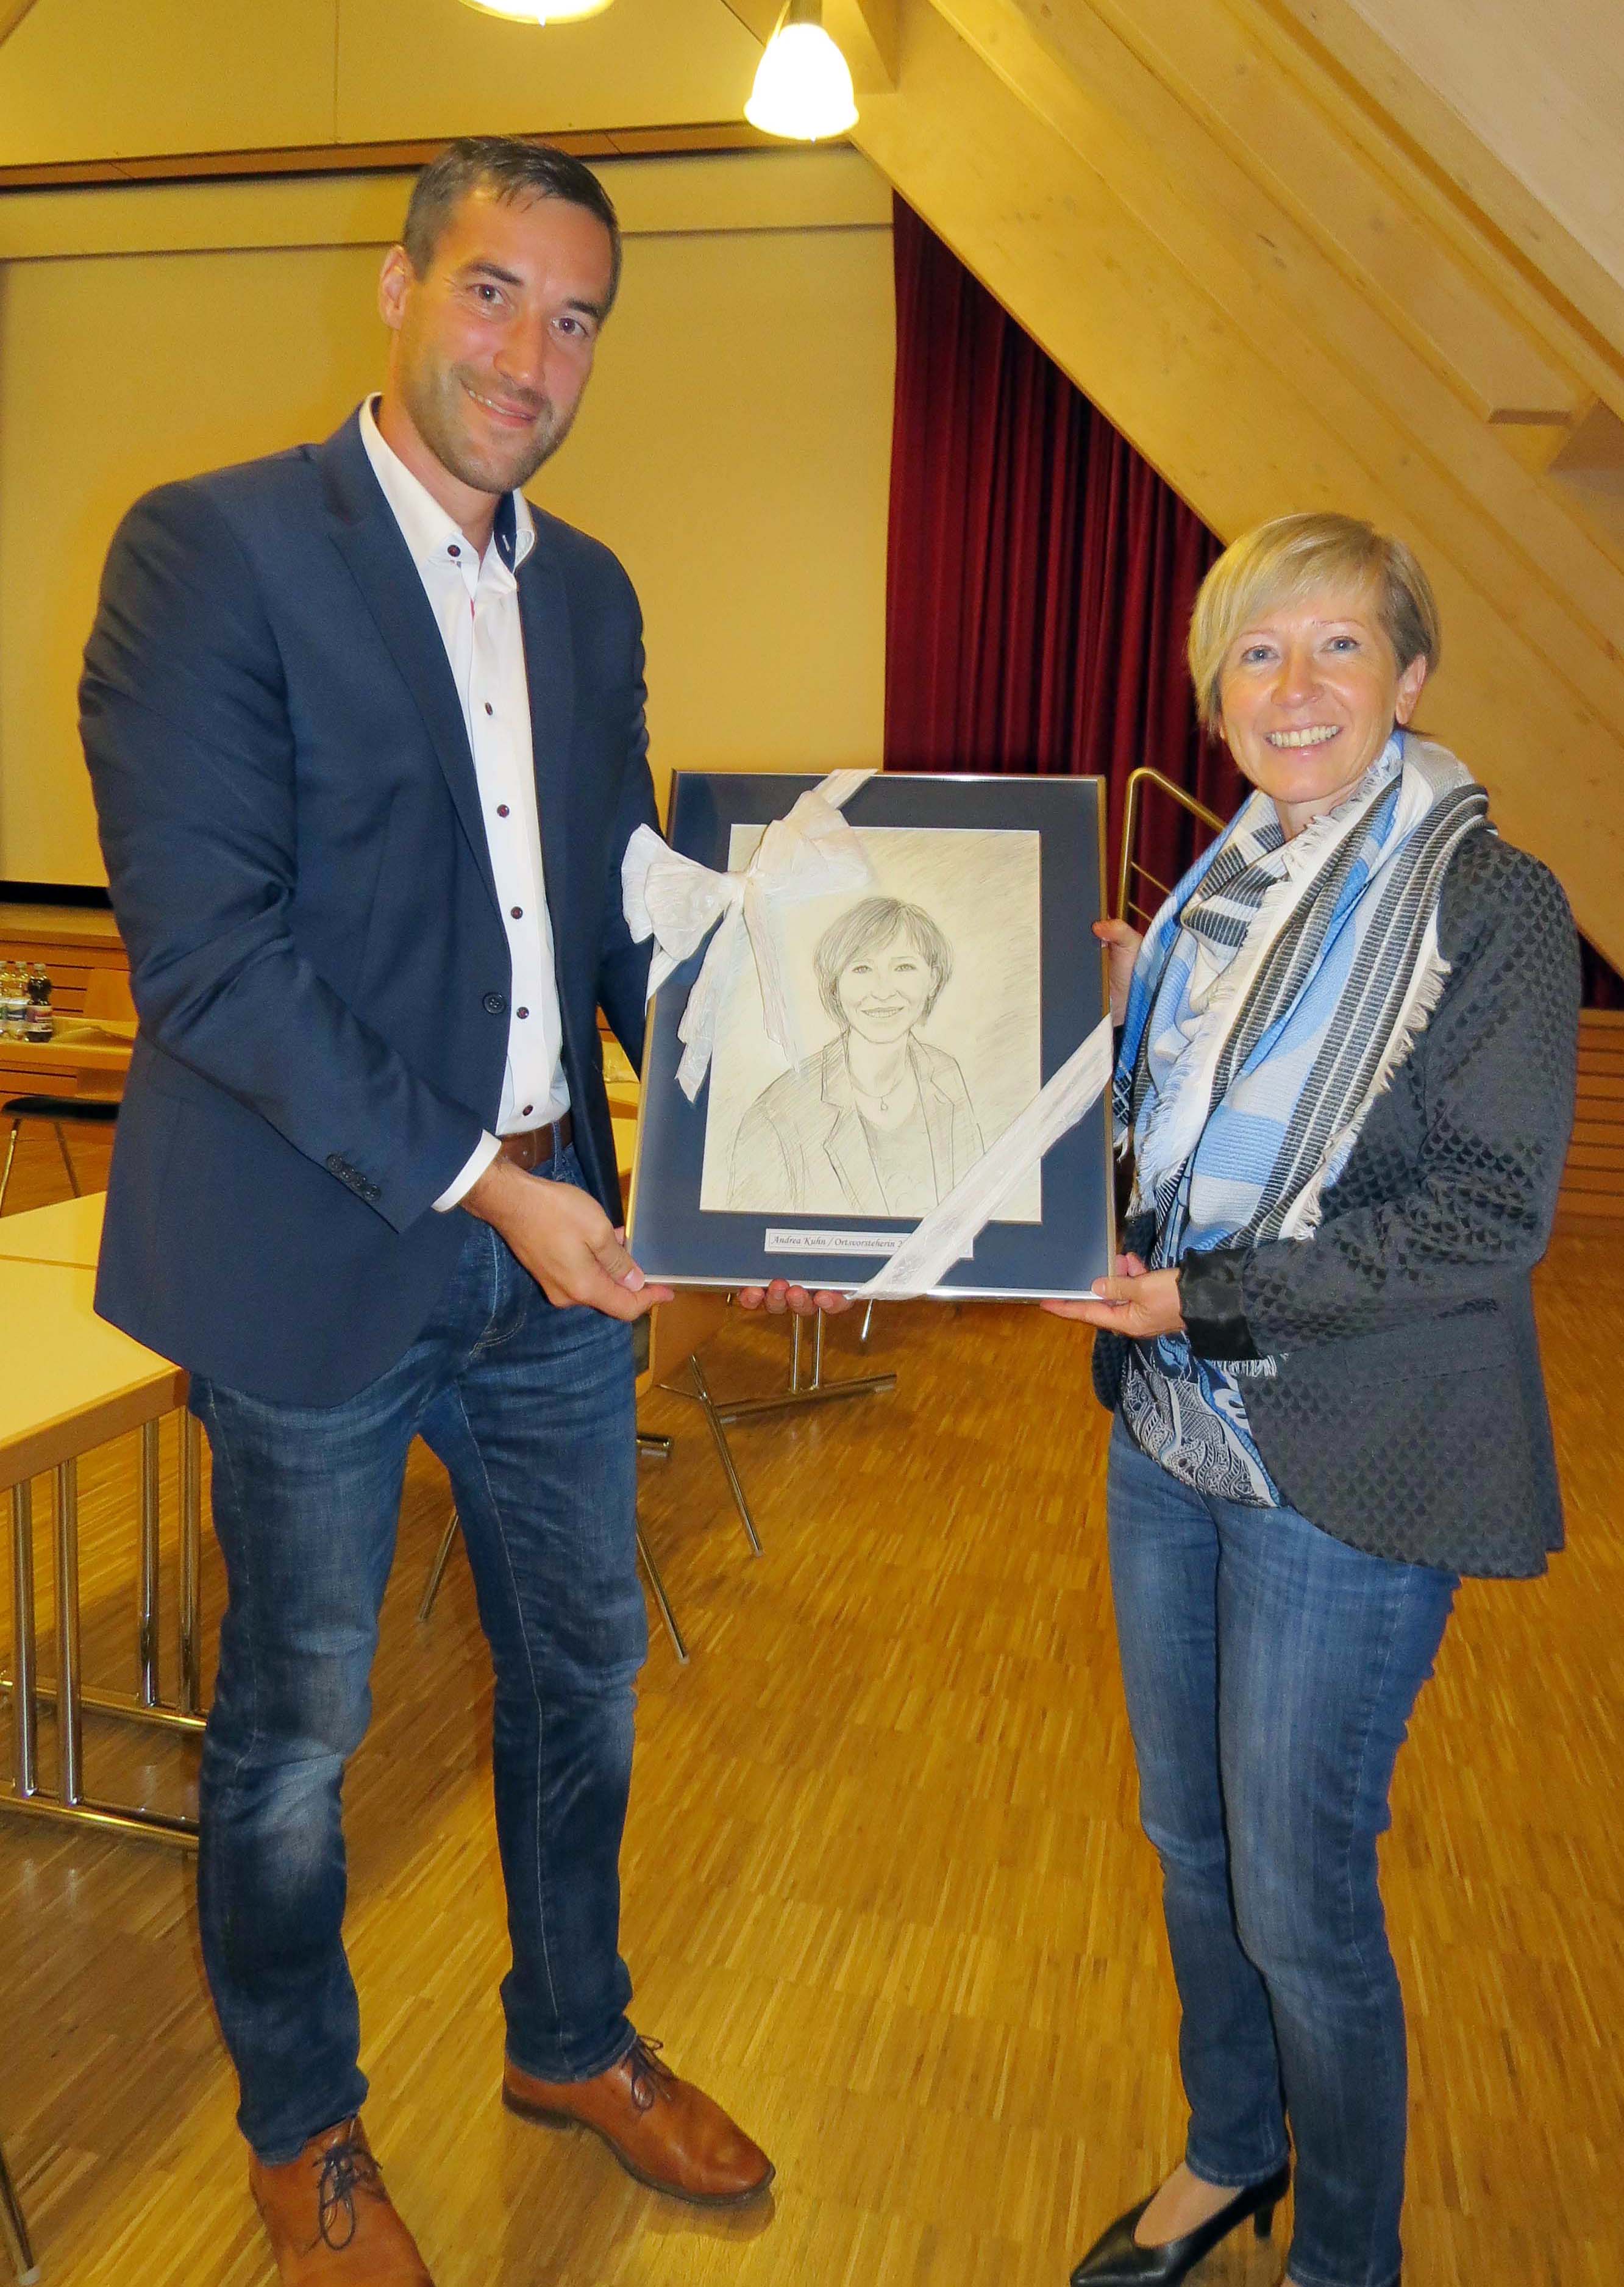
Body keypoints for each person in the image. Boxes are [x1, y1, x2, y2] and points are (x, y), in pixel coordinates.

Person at [80, 138, 774, 2287]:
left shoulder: (591, 593)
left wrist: (786, 1127)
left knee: (587, 1667)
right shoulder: (211, 551)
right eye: (492, 293)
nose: (530, 355)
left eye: (575, 319)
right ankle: (304, 2129)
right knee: (297, 1734)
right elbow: (212, 960)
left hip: (555, 1254)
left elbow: (618, 913)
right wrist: (494, 1188)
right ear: (396, 287)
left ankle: (571, 2038)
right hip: (321, 1252)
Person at [1047, 512, 1579, 2287]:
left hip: (1344, 1469)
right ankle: (1231, 2142)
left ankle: (1347, 2253)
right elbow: (1172, 1141)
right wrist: (1110, 1009)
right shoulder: (1217, 905)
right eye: (1256, 650)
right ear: (1216, 692)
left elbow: (1484, 1213)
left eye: (1337, 643)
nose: (1293, 685)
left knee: (1297, 1891)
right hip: (1169, 1436)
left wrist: (1206, 1293)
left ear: (1409, 677)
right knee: (1188, 1842)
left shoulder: (1488, 903)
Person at [728, 894, 982, 1214]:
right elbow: (749, 1239)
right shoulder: (775, 1117)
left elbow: (978, 1212)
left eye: (903, 967)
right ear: (835, 986)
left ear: (932, 979)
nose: (883, 991)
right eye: (862, 969)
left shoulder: (945, 1075)